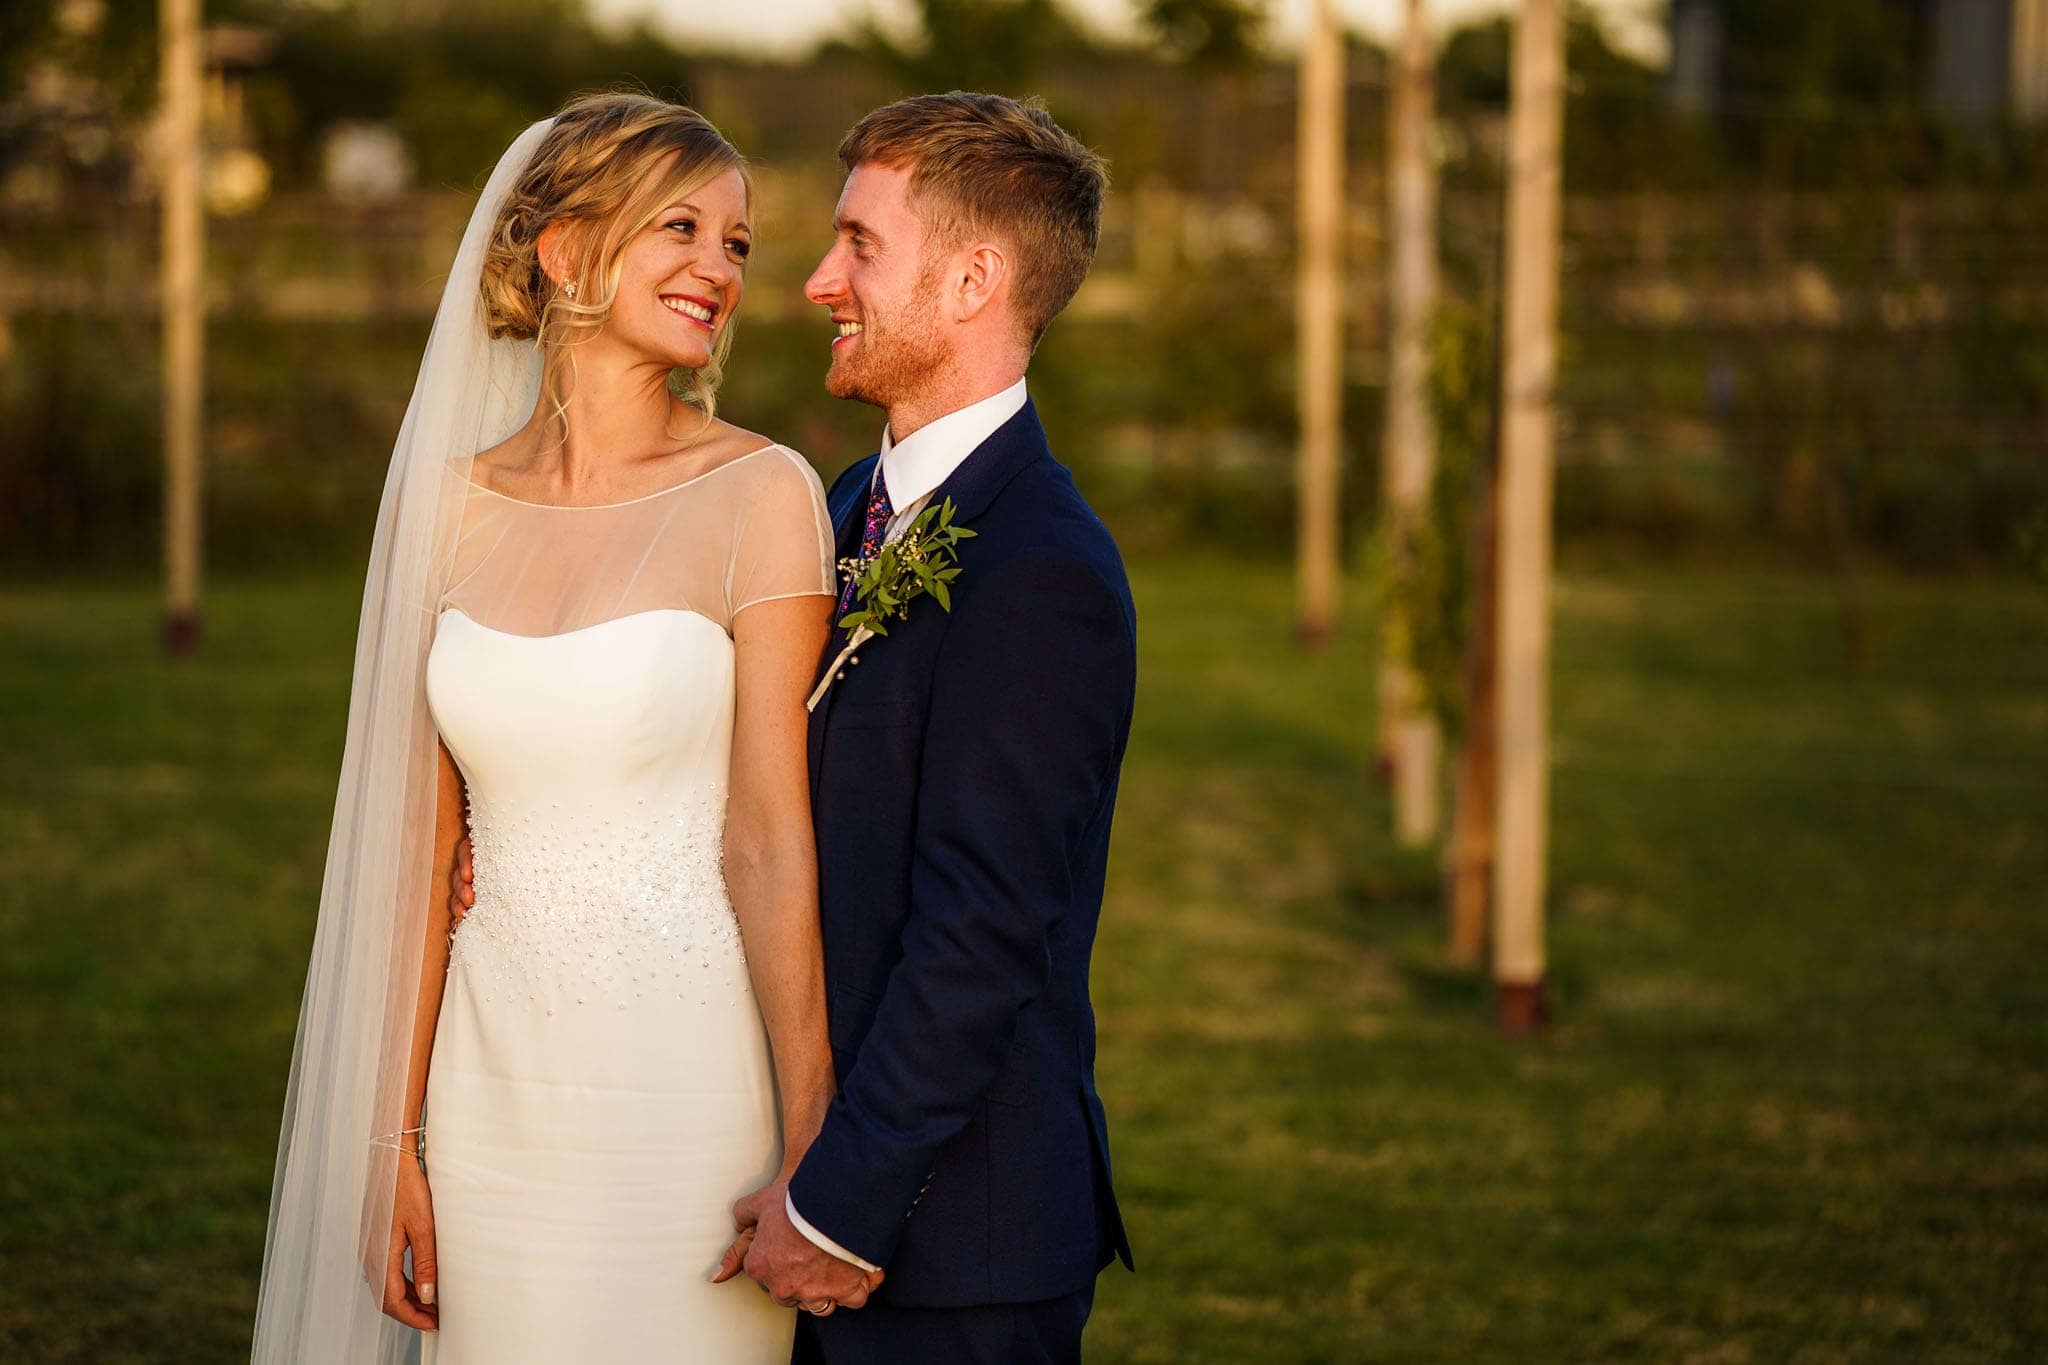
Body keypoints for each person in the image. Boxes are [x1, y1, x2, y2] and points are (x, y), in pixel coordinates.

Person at [453, 90, 1138, 1364]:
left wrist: (836, 1204)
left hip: (949, 1242)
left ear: (975, 276)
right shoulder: (835, 507)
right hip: (753, 1161)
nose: (818, 280)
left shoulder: (1042, 568)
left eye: (858, 245)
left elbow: (983, 934)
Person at [251, 93, 877, 1364]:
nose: (719, 268)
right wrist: (389, 1148)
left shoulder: (761, 495)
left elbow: (769, 836)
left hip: (692, 1092)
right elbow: (416, 858)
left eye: (739, 246)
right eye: (682, 228)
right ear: (564, 248)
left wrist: (813, 1127)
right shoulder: (447, 506)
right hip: (488, 1097)